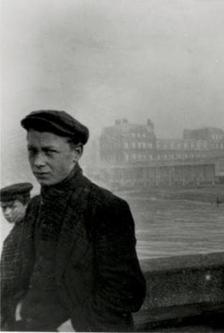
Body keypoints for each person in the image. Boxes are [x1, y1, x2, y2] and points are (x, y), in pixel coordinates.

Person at [14, 110, 146, 331]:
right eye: (32, 151)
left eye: (49, 152)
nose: (38, 162)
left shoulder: (106, 207)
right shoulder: (35, 207)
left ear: (76, 153)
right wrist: (19, 307)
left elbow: (127, 291)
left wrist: (73, 326)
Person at [0, 183, 33, 330]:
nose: (7, 212)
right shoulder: (18, 231)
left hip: (22, 306)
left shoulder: (29, 233)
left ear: (26, 204)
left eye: (12, 206)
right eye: (3, 208)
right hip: (10, 303)